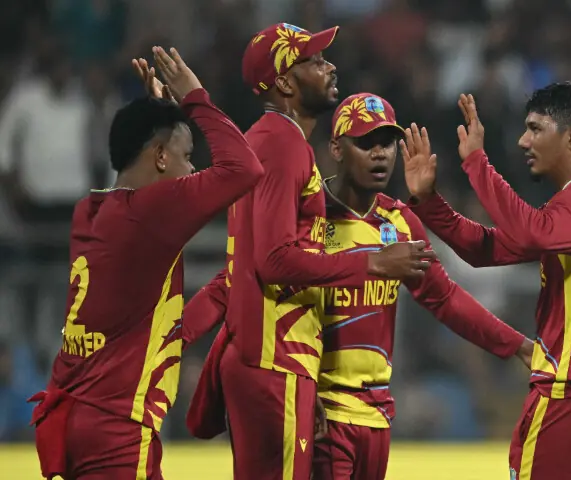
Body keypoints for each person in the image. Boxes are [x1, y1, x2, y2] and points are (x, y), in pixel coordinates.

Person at [182, 24, 434, 480]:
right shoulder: (283, 145)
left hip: (280, 360)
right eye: (314, 61)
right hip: (273, 360)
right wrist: (375, 261)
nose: (330, 66)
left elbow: (241, 269)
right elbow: (273, 261)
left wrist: (177, 334)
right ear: (284, 82)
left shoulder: (273, 142)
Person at [27, 46, 264, 480]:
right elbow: (244, 168)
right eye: (187, 155)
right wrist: (195, 97)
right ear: (158, 157)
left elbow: (149, 324)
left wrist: (228, 288)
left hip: (82, 416)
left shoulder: (92, 211)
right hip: (116, 429)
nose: (193, 170)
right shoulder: (151, 210)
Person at [403, 83, 571, 479]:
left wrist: (477, 164)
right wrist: (430, 202)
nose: (522, 141)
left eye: (535, 128)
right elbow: (486, 251)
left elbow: (530, 232)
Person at [309, 92, 533, 480]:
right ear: (335, 149)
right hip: (322, 413)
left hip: (377, 414)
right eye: (365, 143)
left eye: (387, 143)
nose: (379, 154)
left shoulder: (399, 222)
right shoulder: (307, 217)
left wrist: (517, 345)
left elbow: (443, 298)